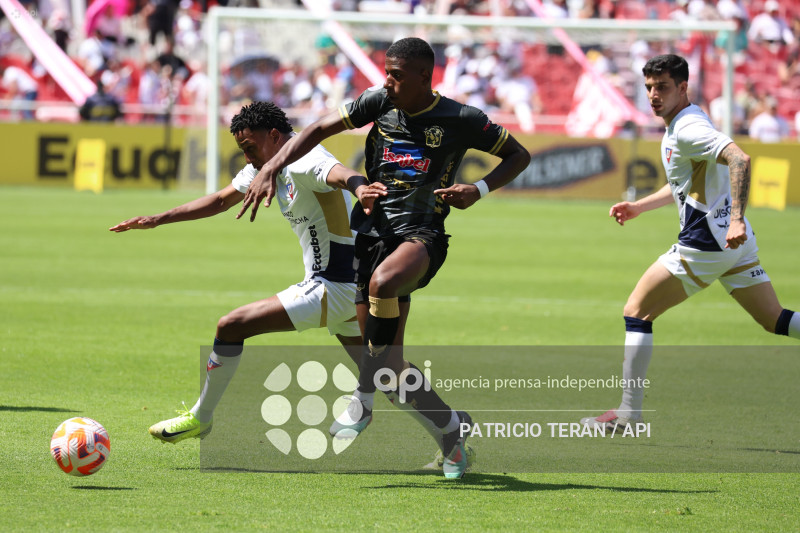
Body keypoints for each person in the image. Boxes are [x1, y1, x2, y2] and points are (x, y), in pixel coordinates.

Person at [109, 101, 470, 475]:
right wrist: (156, 219)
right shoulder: (266, 165)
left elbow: (340, 173)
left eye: (250, 147)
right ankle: (452, 427)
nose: (247, 157)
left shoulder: (304, 159)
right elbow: (219, 200)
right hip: (343, 288)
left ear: (274, 136)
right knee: (389, 375)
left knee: (231, 325)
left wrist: (360, 187)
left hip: (333, 286)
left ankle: (202, 417)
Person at [236, 38, 531, 478]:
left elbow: (519, 155)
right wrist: (271, 166)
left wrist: (479, 188)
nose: (387, 81)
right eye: (385, 72)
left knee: (383, 283)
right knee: (391, 367)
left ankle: (362, 400)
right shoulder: (378, 101)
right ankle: (453, 430)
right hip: (371, 234)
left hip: (422, 234)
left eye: (396, 75)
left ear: (423, 77)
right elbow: (316, 130)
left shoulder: (462, 118)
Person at [580, 54, 800, 433]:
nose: (654, 95)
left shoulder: (687, 128)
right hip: (733, 242)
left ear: (683, 87)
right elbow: (684, 183)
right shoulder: (686, 121)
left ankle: (629, 414)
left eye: (662, 87)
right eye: (649, 87)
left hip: (708, 241)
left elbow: (740, 160)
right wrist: (640, 206)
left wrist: (735, 218)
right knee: (774, 319)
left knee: (637, 311)